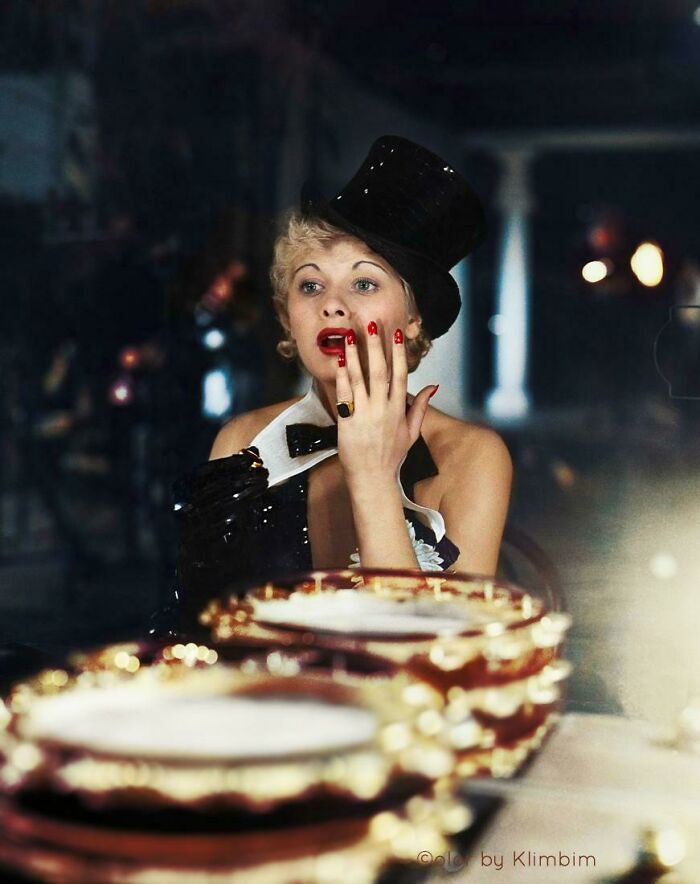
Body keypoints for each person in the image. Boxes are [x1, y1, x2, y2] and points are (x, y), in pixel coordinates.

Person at [173, 136, 512, 626]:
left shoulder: (473, 456)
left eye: (364, 282)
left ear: (413, 318)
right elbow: (199, 630)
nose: (331, 304)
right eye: (310, 285)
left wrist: (372, 475)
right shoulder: (241, 441)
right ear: (289, 318)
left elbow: (436, 658)